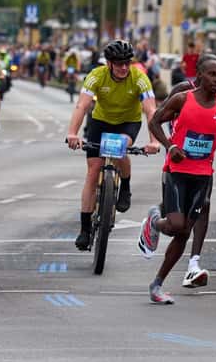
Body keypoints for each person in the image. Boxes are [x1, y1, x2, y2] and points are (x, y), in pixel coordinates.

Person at [140, 57, 216, 304]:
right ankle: (154, 221)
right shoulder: (183, 99)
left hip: (202, 177)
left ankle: (157, 284)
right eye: (212, 74)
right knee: (174, 225)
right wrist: (170, 145)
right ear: (200, 76)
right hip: (176, 173)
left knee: (183, 232)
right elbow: (154, 120)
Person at [66, 40, 161, 251]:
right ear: (108, 63)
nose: (123, 68)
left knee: (119, 149)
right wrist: (73, 133)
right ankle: (84, 229)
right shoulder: (96, 75)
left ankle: (125, 186)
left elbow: (151, 112)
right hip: (100, 121)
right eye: (118, 64)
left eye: (127, 63)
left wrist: (154, 141)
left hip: (128, 123)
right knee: (93, 171)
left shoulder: (140, 78)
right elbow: (82, 105)